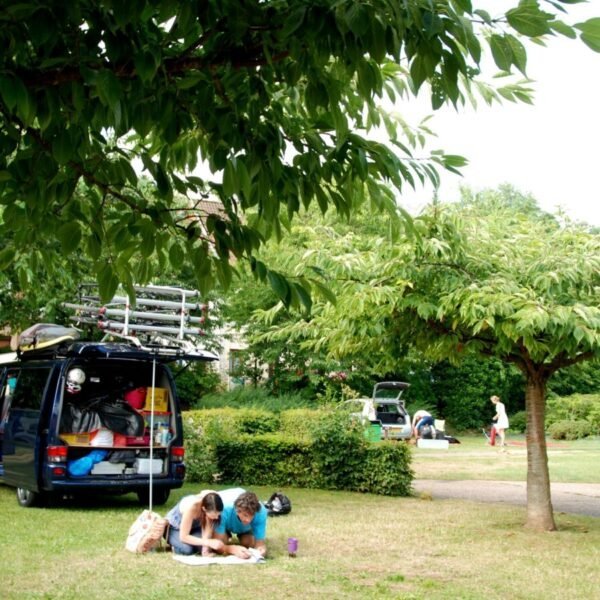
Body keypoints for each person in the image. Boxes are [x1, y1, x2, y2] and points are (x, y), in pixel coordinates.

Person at [165, 490, 226, 556]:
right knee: (187, 550)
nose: (217, 517)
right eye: (214, 515)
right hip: (175, 527)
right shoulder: (191, 507)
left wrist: (205, 550)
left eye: (218, 514)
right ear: (204, 509)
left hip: (193, 527)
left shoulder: (213, 501)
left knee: (203, 547)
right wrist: (208, 542)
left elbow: (207, 528)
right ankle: (175, 545)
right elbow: (183, 537)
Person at [214, 487, 268, 558]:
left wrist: (261, 549)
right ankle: (227, 535)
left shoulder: (261, 512)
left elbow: (260, 543)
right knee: (223, 541)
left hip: (245, 530)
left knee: (248, 542)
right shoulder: (224, 510)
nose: (248, 520)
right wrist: (231, 549)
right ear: (237, 511)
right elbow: (216, 544)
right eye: (245, 515)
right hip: (227, 524)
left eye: (252, 515)